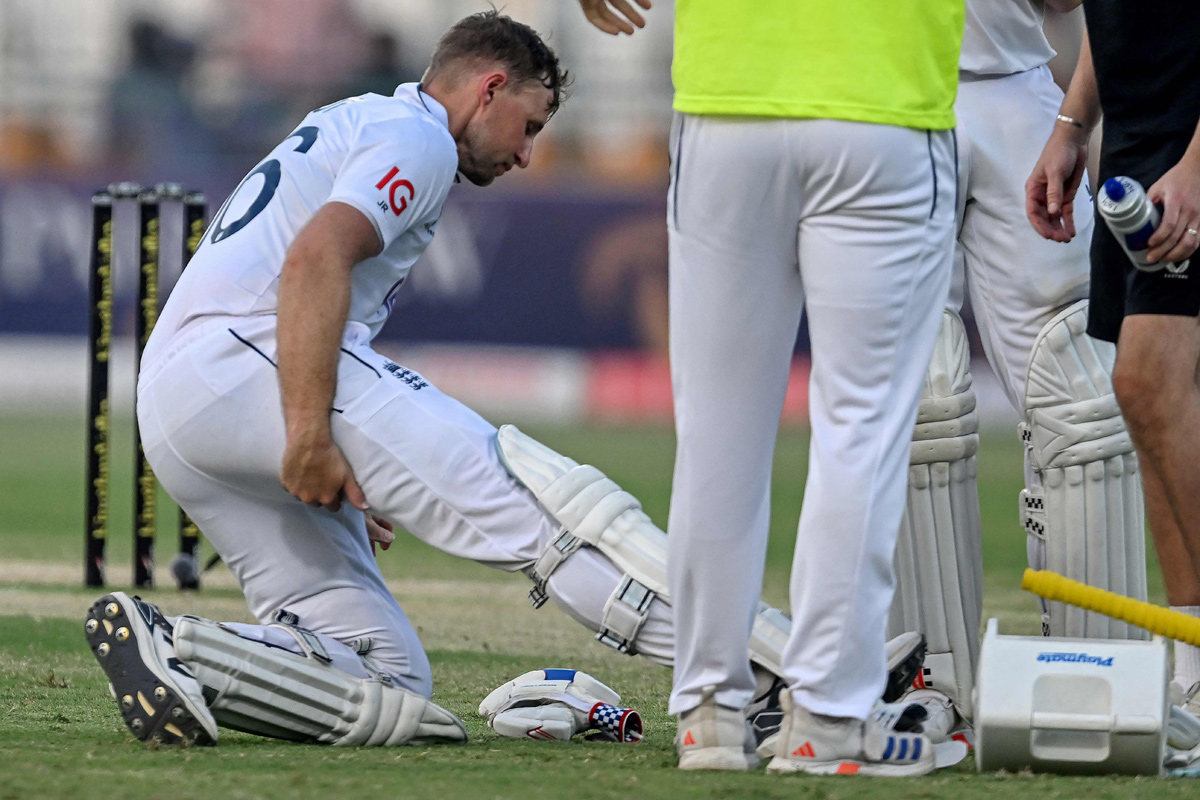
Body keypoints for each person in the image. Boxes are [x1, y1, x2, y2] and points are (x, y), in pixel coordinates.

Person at [85, 9, 925, 749]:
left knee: (388, 679)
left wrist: (329, 446)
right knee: (549, 515)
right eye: (529, 125)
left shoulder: (355, 118)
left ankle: (176, 645)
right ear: (488, 88)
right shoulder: (415, 133)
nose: (528, 155)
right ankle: (781, 673)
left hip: (178, 405)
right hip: (248, 365)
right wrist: (307, 432)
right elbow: (314, 262)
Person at [579, 0, 962, 776]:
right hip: (883, 100)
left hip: (727, 101)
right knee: (861, 431)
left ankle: (711, 718)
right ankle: (827, 716)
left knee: (718, 434)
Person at [880, 0, 1149, 743]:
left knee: (1085, 397)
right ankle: (927, 684)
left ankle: (1102, 678)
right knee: (918, 395)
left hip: (1013, 86)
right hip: (877, 97)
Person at [1026, 0, 1200, 711]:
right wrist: (1073, 126)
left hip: (1187, 146)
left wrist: (1195, 166)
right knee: (1150, 399)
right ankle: (1191, 669)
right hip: (1138, 141)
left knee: (1147, 382)